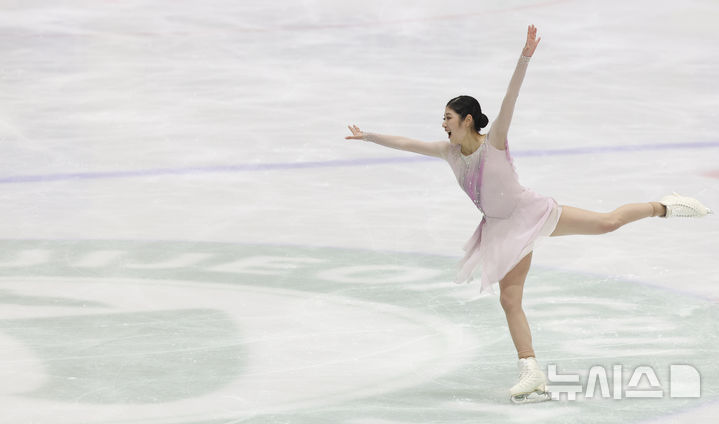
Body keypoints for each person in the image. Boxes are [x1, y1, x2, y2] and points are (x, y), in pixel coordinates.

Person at [345, 24, 712, 403]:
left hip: (530, 212)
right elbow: (408, 143)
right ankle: (531, 370)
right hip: (501, 229)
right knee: (509, 299)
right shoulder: (450, 152)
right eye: (442, 119)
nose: (443, 125)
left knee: (607, 223)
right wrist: (369, 136)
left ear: (467, 119)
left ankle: (666, 206)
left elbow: (510, 97)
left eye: (448, 118)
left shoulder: (495, 141)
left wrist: (525, 56)